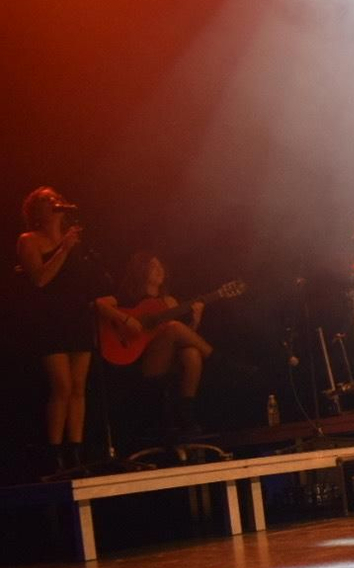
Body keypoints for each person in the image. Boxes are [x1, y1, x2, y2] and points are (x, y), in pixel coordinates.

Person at [16, 187, 106, 471]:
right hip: (49, 321)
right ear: (35, 210)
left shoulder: (74, 239)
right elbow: (40, 279)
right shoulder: (28, 240)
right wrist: (64, 248)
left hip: (76, 318)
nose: (53, 203)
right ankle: (55, 454)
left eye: (54, 198)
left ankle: (76, 452)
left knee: (79, 387)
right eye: (45, 200)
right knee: (62, 386)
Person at [98, 252, 214, 433]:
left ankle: (186, 411)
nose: (159, 270)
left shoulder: (169, 301)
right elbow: (98, 304)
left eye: (161, 266)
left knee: (192, 353)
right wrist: (127, 320)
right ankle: (217, 359)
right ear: (141, 270)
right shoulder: (129, 297)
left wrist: (195, 320)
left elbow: (183, 338)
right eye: (153, 266)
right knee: (174, 327)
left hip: (166, 357)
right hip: (141, 359)